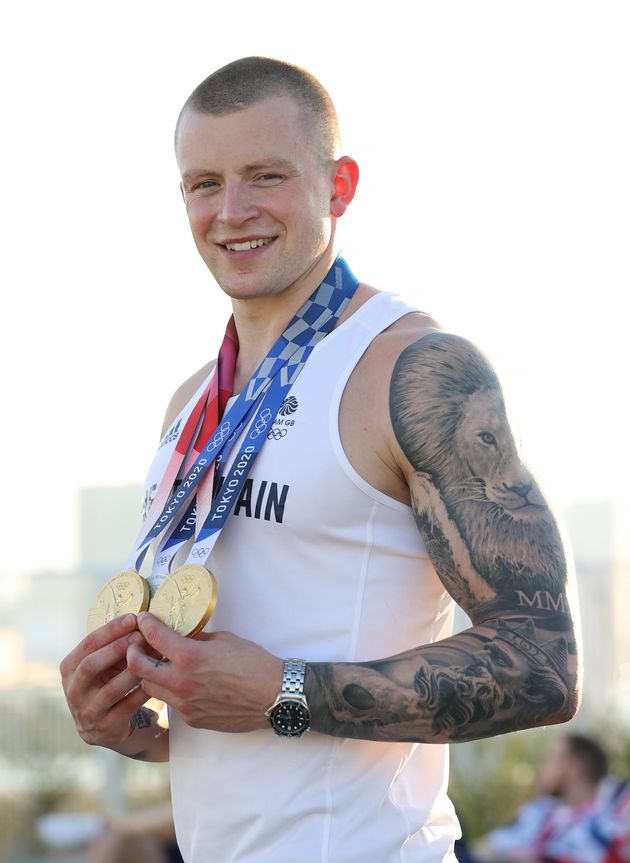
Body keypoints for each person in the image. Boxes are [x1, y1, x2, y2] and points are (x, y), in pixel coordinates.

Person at [60, 57, 581, 863]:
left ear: (339, 186)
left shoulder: (413, 370)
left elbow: (544, 660)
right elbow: (244, 723)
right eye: (203, 183)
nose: (231, 212)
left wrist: (282, 692)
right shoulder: (191, 407)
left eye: (265, 175)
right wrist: (134, 723)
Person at [471, 734, 630, 863]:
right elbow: (489, 846)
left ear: (574, 767)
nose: (544, 767)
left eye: (552, 759)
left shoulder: (612, 812)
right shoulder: (542, 809)